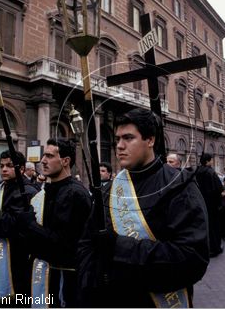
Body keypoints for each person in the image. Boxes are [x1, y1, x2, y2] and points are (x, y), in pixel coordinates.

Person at [77, 108, 209, 307]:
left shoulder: (179, 186)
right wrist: (90, 286)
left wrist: (120, 246)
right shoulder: (109, 190)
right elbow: (86, 243)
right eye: (117, 139)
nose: (119, 146)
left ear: (150, 140)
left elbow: (192, 258)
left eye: (128, 138)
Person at [16, 139, 92, 307]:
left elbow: (66, 245)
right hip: (44, 276)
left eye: (50, 156)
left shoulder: (76, 194)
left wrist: (30, 225)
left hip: (65, 283)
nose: (43, 160)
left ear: (65, 161)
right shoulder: (47, 191)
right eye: (44, 155)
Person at [0, 150, 39, 304]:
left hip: (14, 259)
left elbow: (7, 226)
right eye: (1, 165)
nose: (4, 169)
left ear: (21, 169)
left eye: (9, 165)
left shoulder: (27, 192)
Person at [196, 153, 224, 256]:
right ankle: (215, 248)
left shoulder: (197, 171)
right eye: (211, 160)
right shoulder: (210, 172)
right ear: (208, 161)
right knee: (214, 227)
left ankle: (205, 248)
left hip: (201, 203)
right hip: (212, 205)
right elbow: (219, 188)